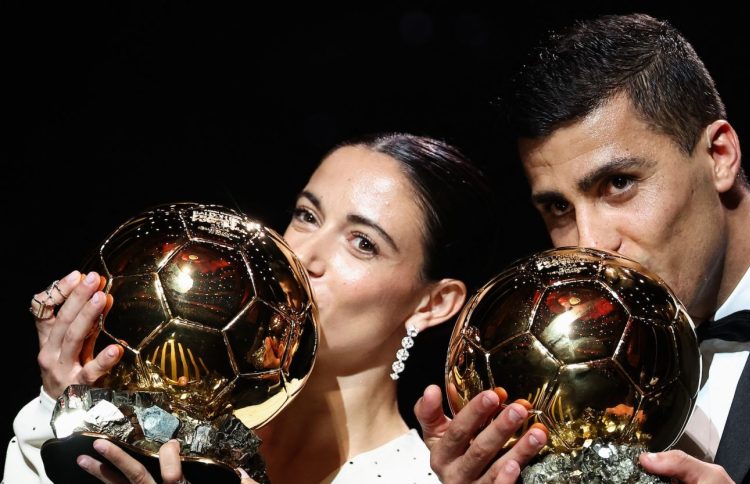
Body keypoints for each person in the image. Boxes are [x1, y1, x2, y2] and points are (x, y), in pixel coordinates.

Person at [416, 13, 750, 484]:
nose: (590, 244)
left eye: (619, 184)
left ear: (720, 156)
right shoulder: (557, 385)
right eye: (558, 209)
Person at [6, 133, 497, 483]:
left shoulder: (427, 478)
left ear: (434, 303)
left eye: (363, 243)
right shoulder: (156, 423)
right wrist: (61, 408)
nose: (303, 257)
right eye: (307, 216)